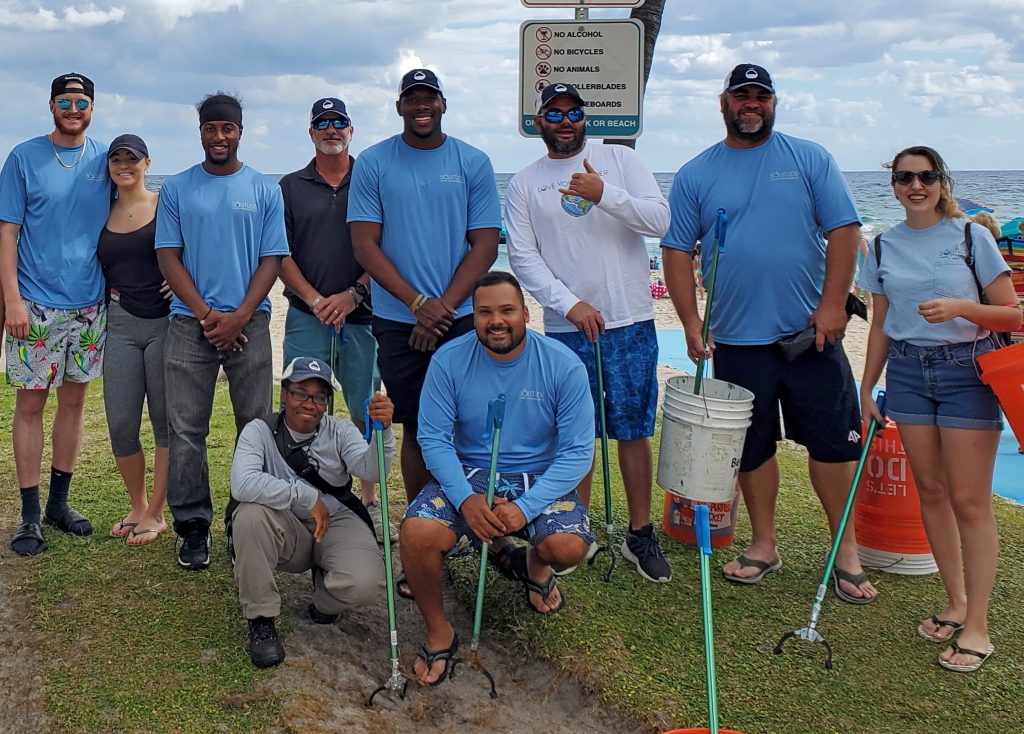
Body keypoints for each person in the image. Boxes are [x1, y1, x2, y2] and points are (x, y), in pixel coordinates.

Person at [661, 64, 876, 601]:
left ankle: (844, 552)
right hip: (735, 339)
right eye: (741, 96)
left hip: (812, 335)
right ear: (723, 104)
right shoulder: (695, 173)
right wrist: (690, 321)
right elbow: (675, 251)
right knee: (752, 450)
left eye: (760, 95)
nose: (750, 104)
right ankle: (763, 545)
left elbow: (845, 232)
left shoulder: (809, 159)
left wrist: (832, 306)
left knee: (832, 446)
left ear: (774, 102)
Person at [858, 146, 1021, 673]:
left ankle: (978, 626)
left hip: (966, 370)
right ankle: (955, 604)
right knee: (929, 490)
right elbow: (881, 322)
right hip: (906, 372)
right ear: (895, 186)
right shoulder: (883, 245)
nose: (916, 185)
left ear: (942, 180)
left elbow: (1011, 315)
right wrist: (867, 387)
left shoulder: (972, 237)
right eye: (905, 177)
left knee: (970, 500)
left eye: (926, 176)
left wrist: (961, 309)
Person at [505, 82, 672, 583]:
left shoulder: (620, 162)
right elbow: (522, 256)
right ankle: (574, 527)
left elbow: (660, 221)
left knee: (634, 428)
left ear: (585, 117)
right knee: (573, 432)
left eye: (573, 112)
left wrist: (605, 195)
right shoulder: (524, 182)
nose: (564, 121)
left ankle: (639, 532)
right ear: (538, 123)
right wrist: (568, 303)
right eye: (553, 114)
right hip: (565, 327)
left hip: (630, 321)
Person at [401, 271, 595, 685]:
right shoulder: (449, 360)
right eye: (484, 311)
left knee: (567, 546)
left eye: (507, 310)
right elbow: (433, 438)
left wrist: (525, 507)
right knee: (416, 534)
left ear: (526, 312)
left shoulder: (563, 365)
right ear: (473, 317)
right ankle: (440, 631)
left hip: (539, 476)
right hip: (471, 473)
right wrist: (466, 500)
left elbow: (579, 450)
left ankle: (536, 565)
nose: (496, 320)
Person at [349, 68, 501, 506]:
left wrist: (440, 311)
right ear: (399, 106)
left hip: (461, 318)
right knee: (416, 425)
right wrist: (417, 304)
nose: (421, 106)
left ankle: (470, 516)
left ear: (443, 104)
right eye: (412, 98)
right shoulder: (375, 162)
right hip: (398, 321)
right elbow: (364, 244)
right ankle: (422, 520)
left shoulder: (472, 162)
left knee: (468, 423)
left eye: (429, 97)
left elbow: (485, 245)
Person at [156, 92, 288, 571]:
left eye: (227, 128)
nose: (219, 137)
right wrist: (207, 314)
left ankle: (245, 520)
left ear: (240, 131)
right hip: (190, 325)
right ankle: (193, 526)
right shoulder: (177, 188)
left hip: (249, 323)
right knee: (186, 429)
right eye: (211, 128)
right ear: (201, 132)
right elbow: (168, 255)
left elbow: (271, 260)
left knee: (254, 429)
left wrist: (236, 316)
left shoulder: (264, 190)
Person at [278, 97, 395, 545]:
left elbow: (386, 246)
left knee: (367, 406)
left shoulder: (372, 181)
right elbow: (279, 253)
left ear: (352, 129)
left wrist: (352, 294)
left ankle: (370, 501)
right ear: (311, 132)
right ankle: (304, 495)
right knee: (301, 405)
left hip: (363, 316)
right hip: (307, 315)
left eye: (339, 122)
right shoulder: (289, 186)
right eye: (322, 123)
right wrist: (316, 298)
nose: (331, 129)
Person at [0, 73, 109, 556]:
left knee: (73, 403)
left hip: (90, 305)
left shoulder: (106, 160)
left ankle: (58, 505)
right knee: (29, 405)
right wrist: (12, 300)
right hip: (35, 305)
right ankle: (28, 514)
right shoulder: (24, 158)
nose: (72, 107)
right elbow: (7, 233)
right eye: (64, 100)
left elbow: (133, 215)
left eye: (80, 101)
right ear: (50, 106)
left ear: (91, 107)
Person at [229, 357, 393, 668]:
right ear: (284, 394)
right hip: (285, 523)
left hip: (336, 520)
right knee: (249, 516)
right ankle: (261, 618)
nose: (310, 403)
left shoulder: (341, 430)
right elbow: (242, 483)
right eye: (300, 393)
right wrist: (305, 496)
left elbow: (372, 469)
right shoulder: (258, 431)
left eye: (319, 396)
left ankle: (325, 600)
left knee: (366, 581)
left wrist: (383, 433)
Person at [98, 134, 170, 546]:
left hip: (163, 325)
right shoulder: (102, 211)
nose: (124, 165)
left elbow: (189, 250)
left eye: (132, 159)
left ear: (147, 163)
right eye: (116, 159)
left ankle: (158, 513)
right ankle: (138, 505)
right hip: (119, 324)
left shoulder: (164, 204)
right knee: (122, 424)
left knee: (164, 425)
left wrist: (184, 285)